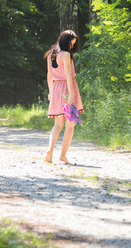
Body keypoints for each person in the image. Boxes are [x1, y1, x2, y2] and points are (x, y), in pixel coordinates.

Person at [44, 30, 84, 164]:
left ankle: (49, 150)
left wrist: (51, 92)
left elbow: (49, 76)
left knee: (57, 124)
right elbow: (68, 75)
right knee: (70, 125)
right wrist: (72, 95)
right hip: (67, 90)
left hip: (56, 90)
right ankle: (63, 155)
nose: (72, 46)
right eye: (71, 43)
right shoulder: (65, 54)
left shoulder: (50, 55)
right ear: (64, 41)